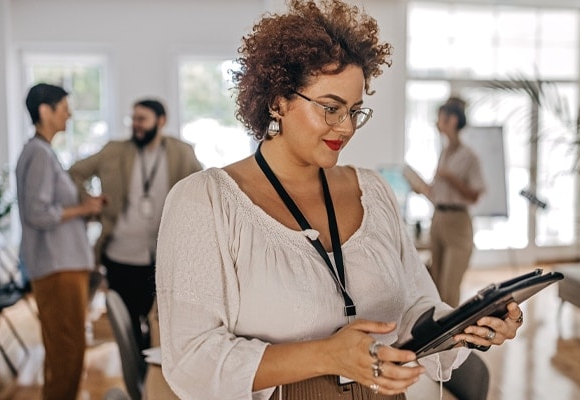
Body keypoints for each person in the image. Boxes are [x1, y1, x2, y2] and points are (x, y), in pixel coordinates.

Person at [155, 1, 523, 399]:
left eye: (355, 111)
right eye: (330, 108)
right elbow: (192, 360)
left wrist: (464, 327)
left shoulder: (373, 191)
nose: (345, 128)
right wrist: (328, 356)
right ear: (278, 100)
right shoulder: (205, 202)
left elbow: (416, 305)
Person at [69, 98, 201, 352]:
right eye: (134, 119)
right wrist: (89, 202)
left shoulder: (181, 152)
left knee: (162, 326)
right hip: (120, 256)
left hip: (165, 258)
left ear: (161, 121)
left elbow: (204, 186)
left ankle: (153, 382)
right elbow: (74, 172)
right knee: (127, 329)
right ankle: (135, 379)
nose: (136, 125)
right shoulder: (114, 151)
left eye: (142, 119)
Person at [16, 83, 105, 400]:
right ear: (45, 111)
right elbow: (36, 212)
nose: (70, 113)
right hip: (57, 267)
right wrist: (82, 208)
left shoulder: (43, 152)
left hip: (64, 265)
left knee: (66, 351)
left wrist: (86, 210)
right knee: (66, 351)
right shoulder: (38, 154)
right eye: (64, 107)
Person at [410, 97, 486, 307]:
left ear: (451, 120)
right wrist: (421, 188)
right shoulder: (444, 153)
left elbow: (475, 195)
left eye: (440, 118)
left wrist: (451, 178)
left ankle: (450, 337)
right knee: (434, 283)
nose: (436, 123)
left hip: (458, 221)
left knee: (449, 288)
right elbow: (437, 192)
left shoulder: (469, 156)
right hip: (438, 217)